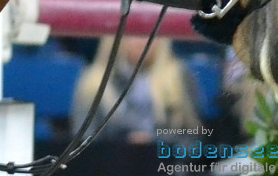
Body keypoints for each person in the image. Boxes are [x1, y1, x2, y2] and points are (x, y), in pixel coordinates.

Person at [70, 35, 201, 144]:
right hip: (110, 165)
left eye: (149, 33)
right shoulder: (93, 82)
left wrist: (154, 141)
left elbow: (193, 135)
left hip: (166, 165)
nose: (141, 40)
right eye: (133, 32)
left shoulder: (178, 76)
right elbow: (84, 143)